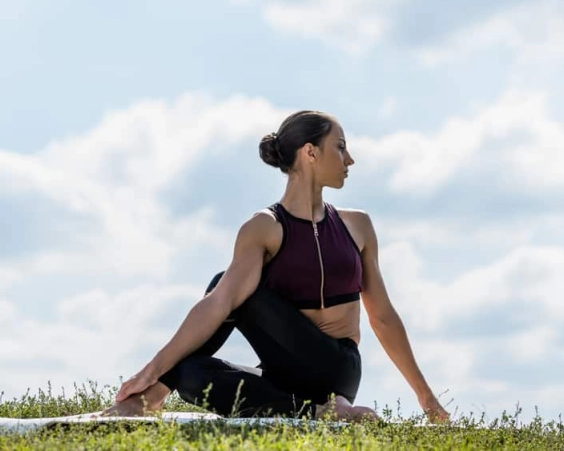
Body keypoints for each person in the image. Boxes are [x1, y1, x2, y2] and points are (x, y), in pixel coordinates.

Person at [102, 110, 450, 422]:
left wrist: (426, 397)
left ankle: (150, 398)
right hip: (284, 380)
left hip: (337, 369)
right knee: (190, 373)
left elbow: (383, 316)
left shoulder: (358, 226)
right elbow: (218, 305)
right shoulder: (263, 228)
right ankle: (316, 414)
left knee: (230, 287)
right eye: (340, 147)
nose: (350, 159)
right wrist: (155, 370)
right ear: (310, 152)